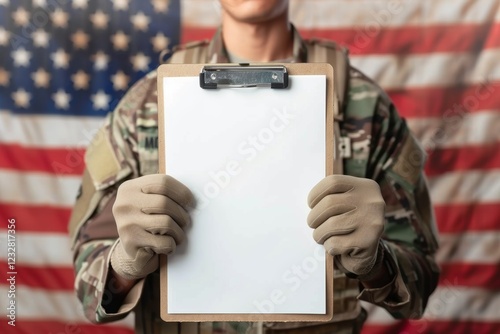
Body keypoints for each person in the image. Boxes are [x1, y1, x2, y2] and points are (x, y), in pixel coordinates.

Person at [69, 1, 440, 333]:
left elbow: (421, 284)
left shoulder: (365, 106)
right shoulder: (145, 105)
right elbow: (89, 288)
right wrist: (122, 266)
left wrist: (376, 262)